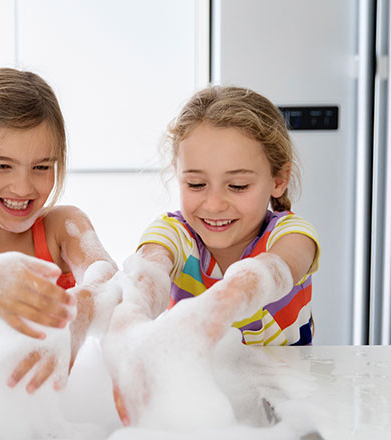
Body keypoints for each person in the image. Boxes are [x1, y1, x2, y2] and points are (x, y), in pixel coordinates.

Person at [102, 85, 321, 426]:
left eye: (237, 186)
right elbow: (145, 278)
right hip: (198, 401)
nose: (214, 204)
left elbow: (271, 271)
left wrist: (219, 306)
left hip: (284, 406)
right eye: (196, 185)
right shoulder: (174, 234)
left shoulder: (291, 236)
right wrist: (127, 336)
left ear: (278, 180)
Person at [0, 67, 118, 393]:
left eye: (42, 167)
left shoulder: (62, 229)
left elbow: (107, 277)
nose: (23, 186)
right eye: (1, 165)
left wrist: (79, 313)